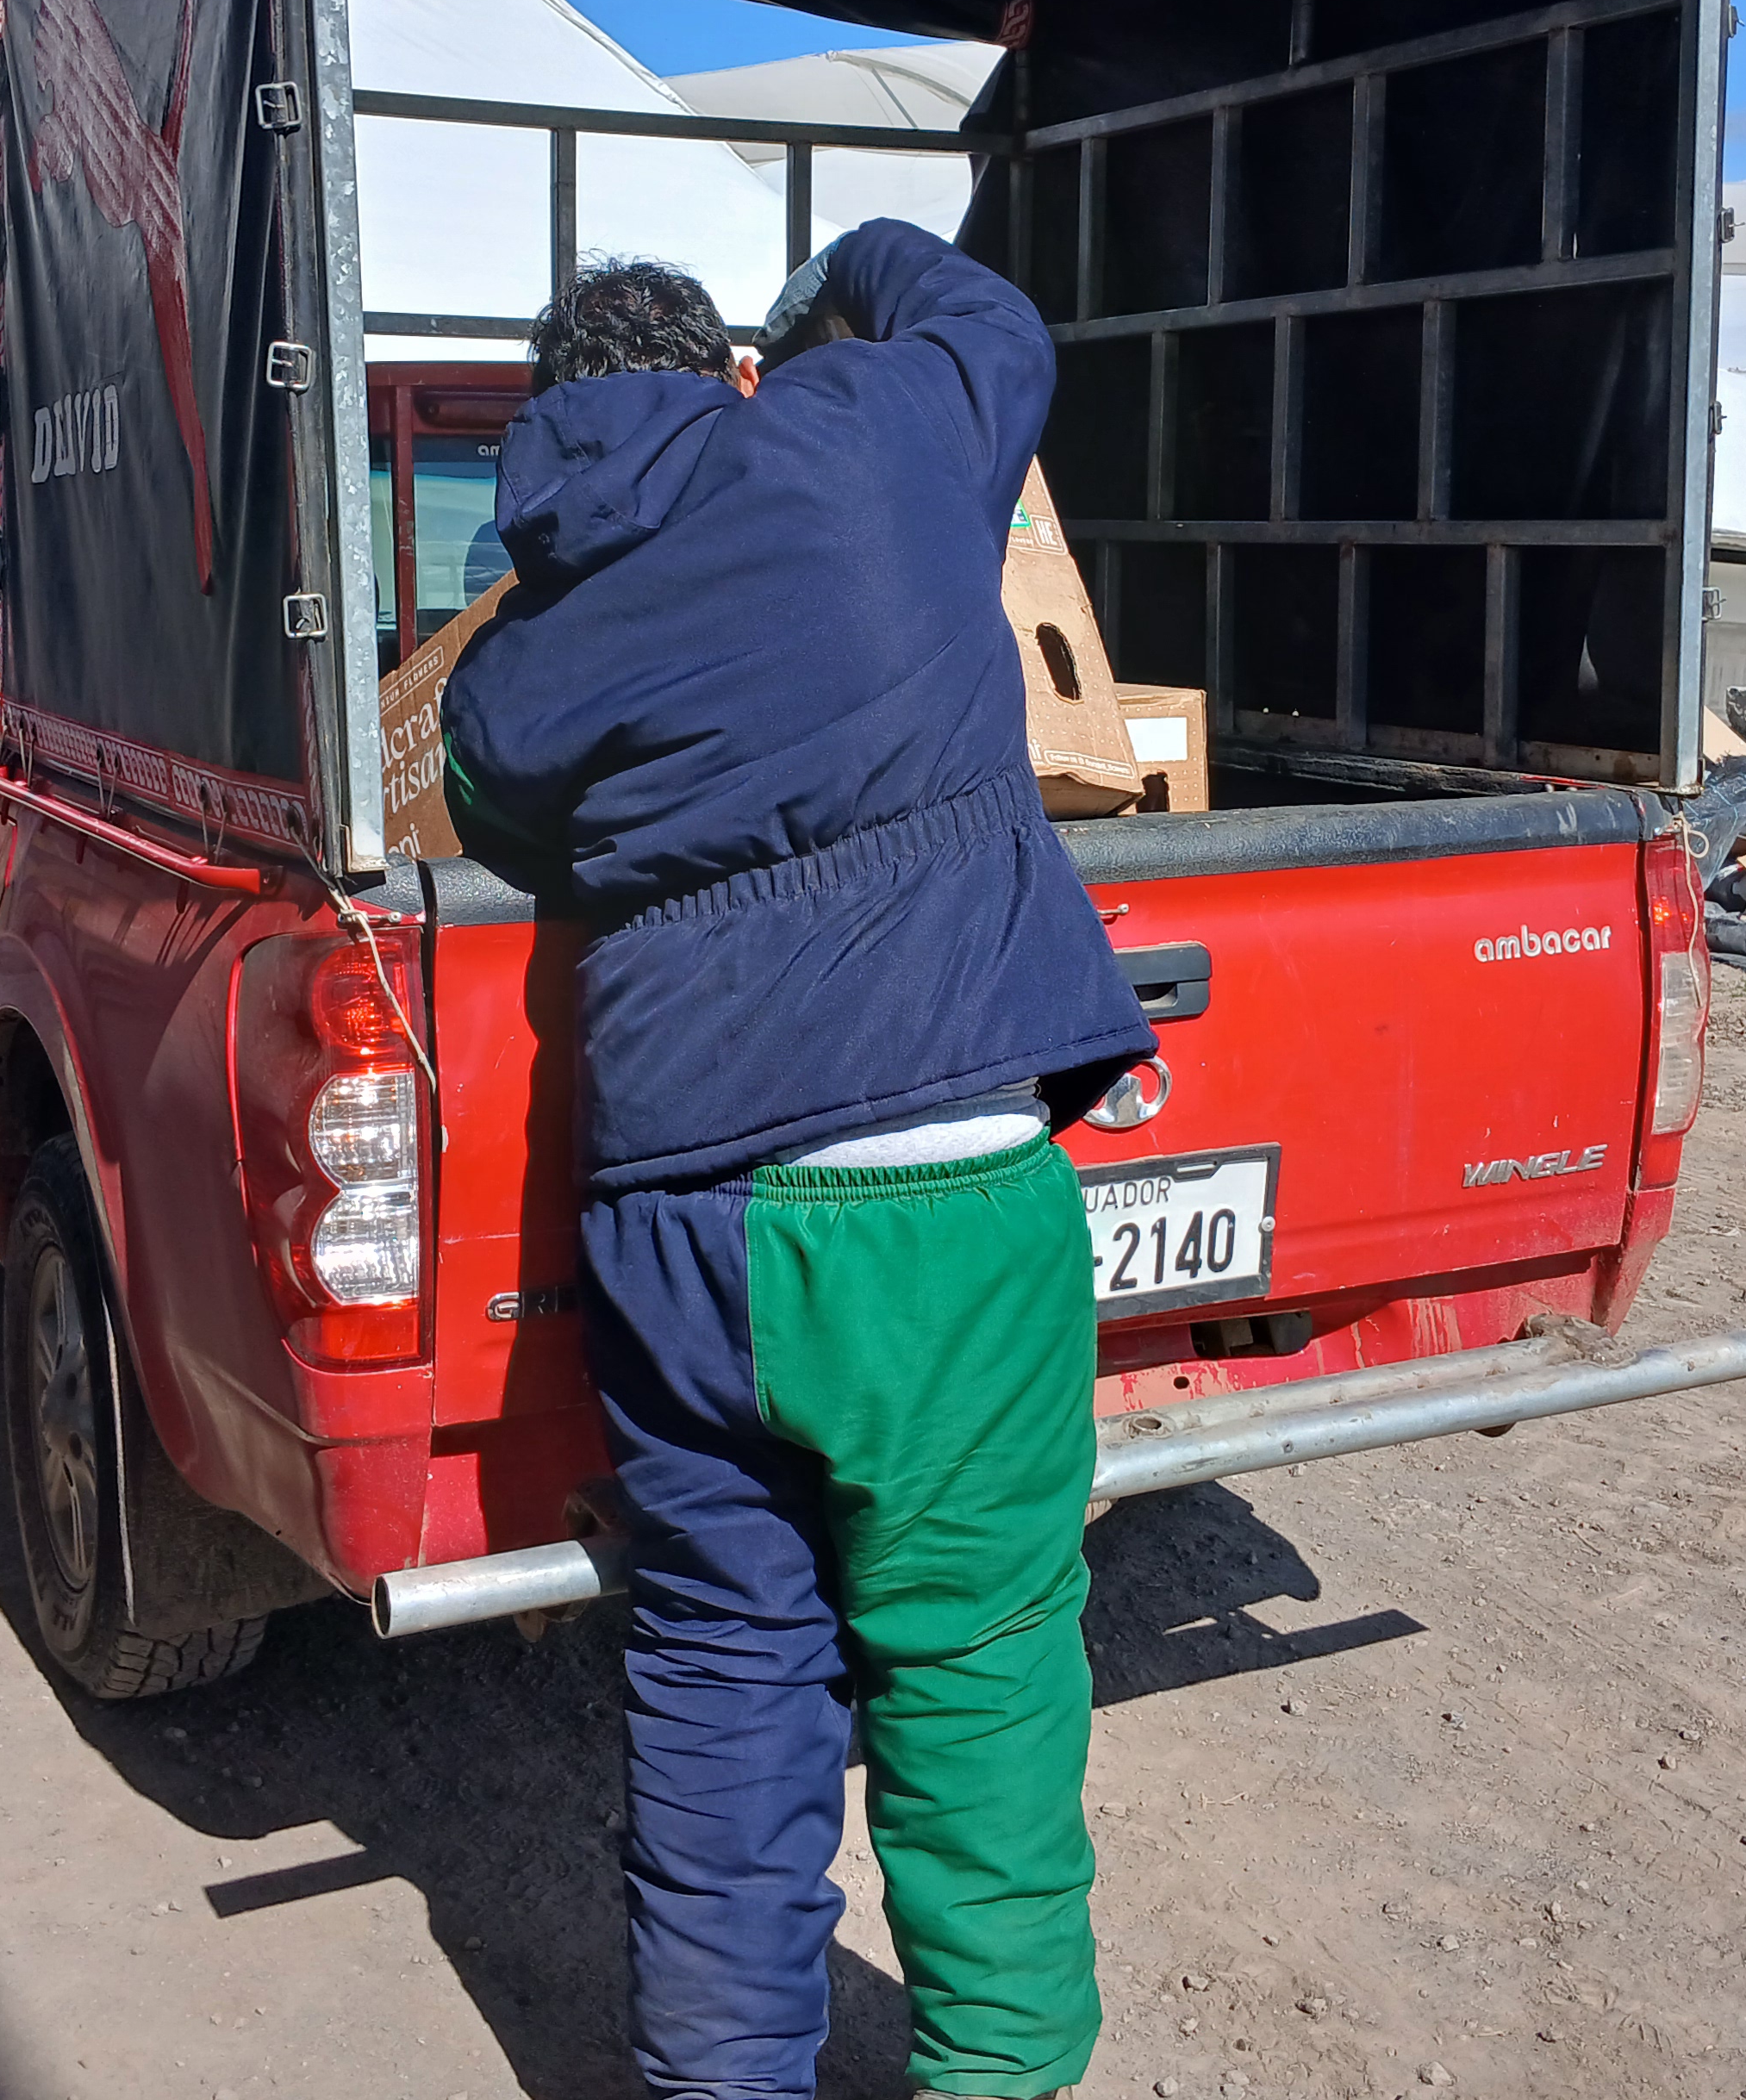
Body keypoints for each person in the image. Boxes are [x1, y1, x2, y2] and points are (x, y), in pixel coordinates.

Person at [444, 227, 1154, 2100]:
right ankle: (1000, 2074)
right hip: (940, 1188)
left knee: (719, 1666)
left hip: (678, 1217)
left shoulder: (514, 667)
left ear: (546, 431)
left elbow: (506, 827)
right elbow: (994, 316)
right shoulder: (876, 432)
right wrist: (842, 273)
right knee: (980, 1661)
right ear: (736, 374)